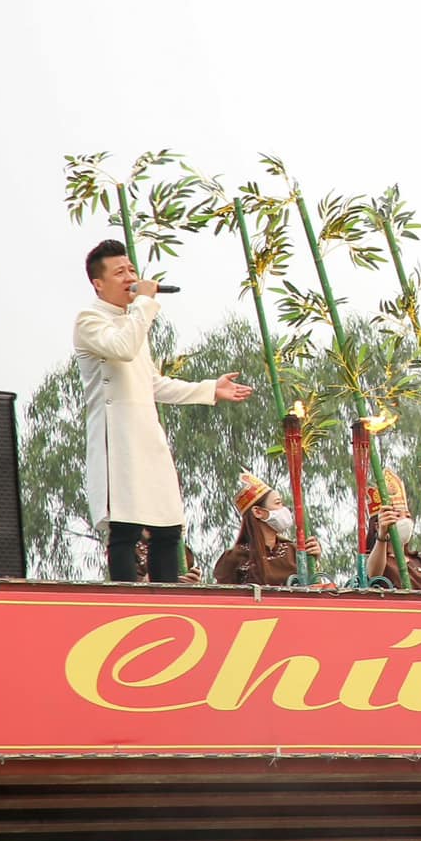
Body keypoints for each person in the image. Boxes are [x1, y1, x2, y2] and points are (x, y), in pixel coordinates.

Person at [74, 238, 255, 583]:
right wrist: (144, 302)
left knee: (168, 527)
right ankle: (128, 600)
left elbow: (152, 383)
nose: (130, 277)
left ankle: (168, 598)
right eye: (120, 272)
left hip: (148, 435)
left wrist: (209, 389)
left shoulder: (133, 321)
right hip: (117, 439)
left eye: (131, 269)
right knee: (125, 528)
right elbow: (123, 348)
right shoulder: (90, 320)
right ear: (98, 283)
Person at [212, 470, 323, 586]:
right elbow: (220, 594)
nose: (284, 509)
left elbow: (315, 591)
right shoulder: (233, 557)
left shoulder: (295, 552)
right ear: (258, 512)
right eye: (278, 503)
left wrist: (313, 561)